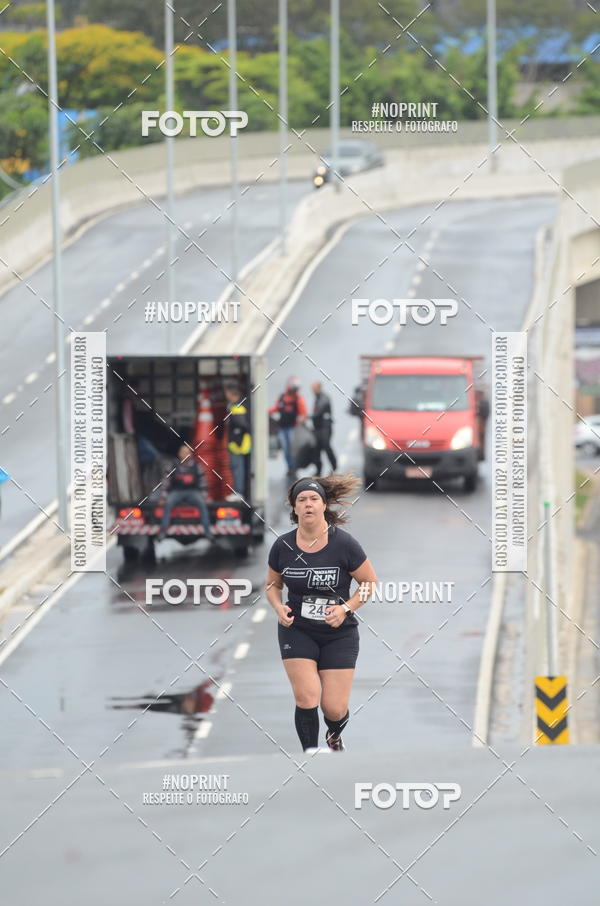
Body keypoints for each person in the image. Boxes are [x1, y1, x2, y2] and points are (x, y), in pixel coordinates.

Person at [265, 474, 377, 752]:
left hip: (339, 633)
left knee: (334, 708)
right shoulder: (283, 546)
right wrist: (279, 607)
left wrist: (346, 608)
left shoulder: (344, 544)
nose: (308, 504)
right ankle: (309, 755)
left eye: (314, 499)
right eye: (301, 500)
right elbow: (272, 585)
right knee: (307, 696)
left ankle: (334, 736)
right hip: (298, 629)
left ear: (324, 505)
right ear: (294, 508)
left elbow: (370, 583)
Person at [157, 445, 213, 542]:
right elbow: (166, 482)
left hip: (192, 492)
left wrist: (205, 497)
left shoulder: (197, 467)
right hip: (177, 491)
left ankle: (207, 531)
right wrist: (163, 497)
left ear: (190, 454)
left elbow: (203, 482)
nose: (185, 454)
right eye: (183, 452)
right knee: (168, 503)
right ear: (179, 454)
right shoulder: (173, 466)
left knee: (202, 503)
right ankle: (163, 531)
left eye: (187, 452)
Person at [269, 377, 307, 478]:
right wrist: (266, 411)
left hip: (292, 428)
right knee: (285, 449)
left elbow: (303, 414)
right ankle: (290, 466)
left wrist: (299, 422)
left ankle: (294, 466)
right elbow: (276, 408)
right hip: (282, 428)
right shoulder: (282, 397)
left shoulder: (298, 399)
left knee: (292, 448)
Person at [224, 383, 251, 496]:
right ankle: (239, 492)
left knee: (237, 468)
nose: (226, 396)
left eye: (227, 393)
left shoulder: (237, 407)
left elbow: (242, 426)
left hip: (238, 445)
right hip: (239, 444)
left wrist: (236, 440)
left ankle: (238, 492)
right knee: (238, 468)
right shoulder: (238, 405)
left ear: (231, 394)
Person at [311, 381, 337, 474]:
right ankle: (318, 470)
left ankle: (334, 466)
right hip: (318, 428)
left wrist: (311, 416)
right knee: (316, 449)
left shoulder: (324, 398)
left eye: (314, 388)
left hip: (325, 427)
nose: (312, 391)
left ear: (319, 388)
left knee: (326, 446)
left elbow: (319, 410)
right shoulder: (317, 398)